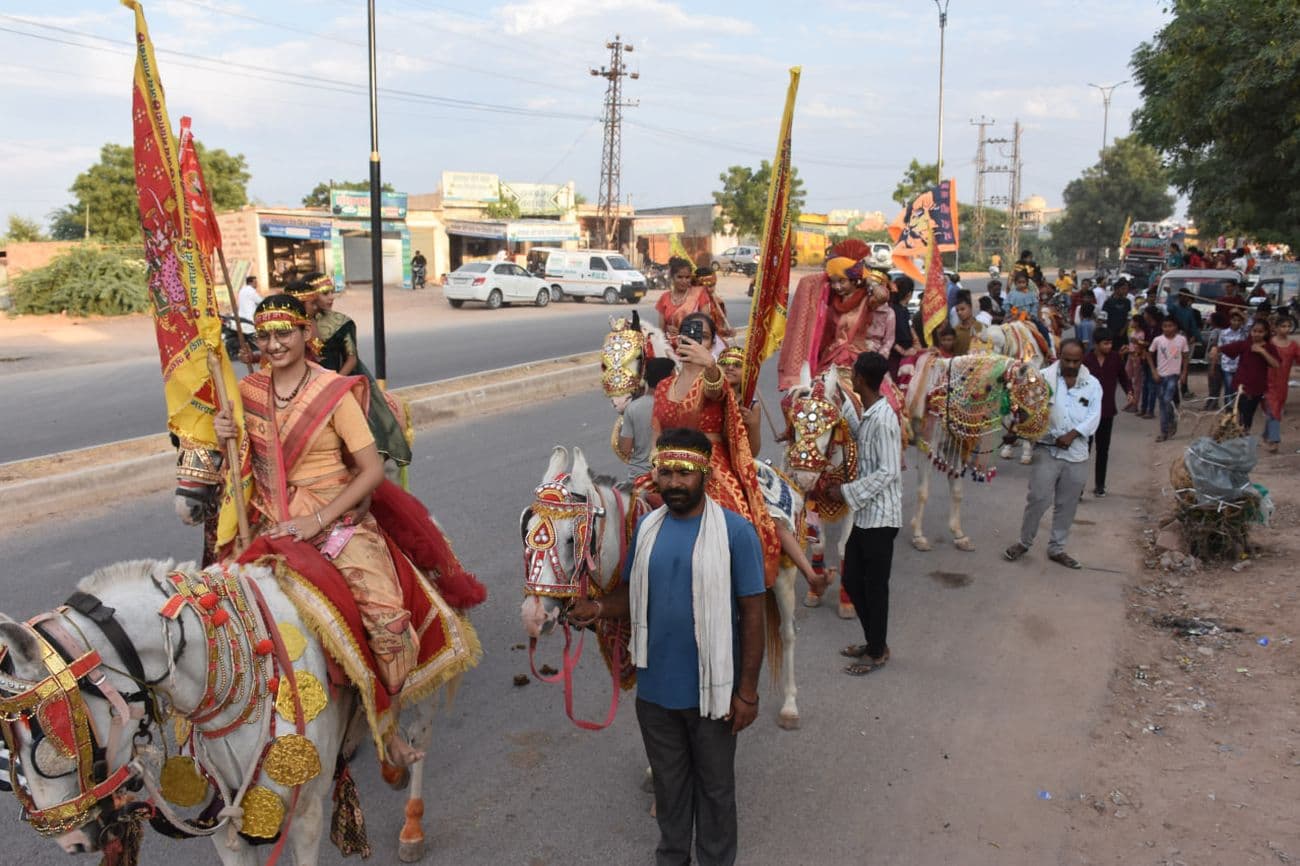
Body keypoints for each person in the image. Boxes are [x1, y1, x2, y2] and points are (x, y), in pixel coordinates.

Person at [212, 294, 478, 767]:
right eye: (264, 336)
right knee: (216, 615)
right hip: (270, 519)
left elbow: (371, 470)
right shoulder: (248, 392)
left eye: (283, 333)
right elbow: (241, 468)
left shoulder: (333, 391)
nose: (273, 344)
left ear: (305, 335)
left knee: (388, 621)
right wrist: (225, 437)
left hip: (335, 518)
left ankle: (388, 723)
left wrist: (319, 518)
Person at [569, 429, 766, 866]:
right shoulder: (647, 529)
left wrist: (747, 692)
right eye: (666, 471)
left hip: (714, 695)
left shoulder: (737, 534)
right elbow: (631, 596)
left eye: (684, 472)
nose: (674, 482)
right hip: (656, 694)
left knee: (715, 791)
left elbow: (753, 615)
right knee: (670, 789)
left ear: (705, 474)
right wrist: (597, 608)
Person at [653, 312, 781, 584]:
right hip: (666, 467)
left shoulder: (714, 378)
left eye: (704, 336)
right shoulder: (663, 386)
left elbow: (715, 389)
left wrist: (709, 364)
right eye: (689, 332)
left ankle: (744, 588)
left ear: (711, 344)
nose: (695, 339)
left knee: (737, 523)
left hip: (710, 465)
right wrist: (656, 469)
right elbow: (656, 435)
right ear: (677, 338)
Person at [716, 347, 826, 595]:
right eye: (725, 363)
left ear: (748, 373)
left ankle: (810, 574)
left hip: (740, 467)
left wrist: (752, 424)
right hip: (710, 465)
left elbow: (752, 450)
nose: (731, 367)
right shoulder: (710, 398)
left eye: (737, 363)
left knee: (772, 518)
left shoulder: (751, 405)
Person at [823, 352, 901, 676]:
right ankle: (873, 642)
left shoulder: (884, 419)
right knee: (853, 580)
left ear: (862, 379)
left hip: (881, 517)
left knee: (874, 587)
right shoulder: (870, 413)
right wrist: (839, 398)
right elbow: (858, 437)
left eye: (853, 374)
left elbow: (888, 471)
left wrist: (844, 492)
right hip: (866, 515)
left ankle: (877, 649)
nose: (850, 377)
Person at [1003, 339, 1101, 569]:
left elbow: (1093, 417)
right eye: (1066, 359)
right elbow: (1026, 409)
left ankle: (1057, 548)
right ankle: (1024, 542)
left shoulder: (1092, 384)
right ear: (1059, 356)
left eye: (1076, 361)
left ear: (1082, 359)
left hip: (1076, 453)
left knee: (1067, 504)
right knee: (1037, 498)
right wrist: (1016, 430)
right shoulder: (1042, 378)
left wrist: (1072, 434)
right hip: (1047, 449)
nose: (1071, 364)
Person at [307, 272, 413, 468]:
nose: (331, 297)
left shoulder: (341, 322)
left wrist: (333, 384)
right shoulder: (298, 326)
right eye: (325, 294)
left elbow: (351, 358)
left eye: (332, 292)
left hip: (339, 382)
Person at [1083, 327, 1134, 497]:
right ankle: (1079, 488)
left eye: (1110, 343)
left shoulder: (1115, 359)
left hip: (1107, 412)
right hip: (1087, 413)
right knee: (1084, 451)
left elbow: (1123, 378)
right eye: (1105, 343)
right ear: (1096, 345)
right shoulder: (1086, 361)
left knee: (1103, 450)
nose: (1109, 346)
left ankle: (1100, 485)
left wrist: (1129, 391)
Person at [1212, 318, 1280, 433]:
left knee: (1249, 414)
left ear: (1266, 333)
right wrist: (1215, 349)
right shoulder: (1245, 345)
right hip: (1240, 387)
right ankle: (1239, 435)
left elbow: (1276, 364)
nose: (1256, 334)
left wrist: (1262, 352)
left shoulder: (1269, 348)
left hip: (1257, 388)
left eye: (1260, 331)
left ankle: (1244, 435)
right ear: (1250, 331)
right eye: (1254, 331)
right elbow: (1224, 348)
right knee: (1239, 413)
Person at [617, 357, 676, 479]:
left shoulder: (633, 408)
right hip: (670, 475)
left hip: (640, 476)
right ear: (670, 377)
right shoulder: (677, 406)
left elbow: (625, 449)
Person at [656, 257, 730, 352]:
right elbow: (661, 330)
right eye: (680, 277)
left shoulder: (699, 294)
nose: (684, 281)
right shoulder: (664, 298)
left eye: (687, 277)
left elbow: (706, 326)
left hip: (695, 348)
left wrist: (683, 332)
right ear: (672, 277)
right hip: (670, 349)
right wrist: (667, 330)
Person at [1148, 316, 1189, 441]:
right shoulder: (1157, 340)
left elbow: (1186, 357)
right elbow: (1149, 355)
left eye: (1170, 326)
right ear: (1162, 327)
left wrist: (1184, 374)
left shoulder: (1181, 340)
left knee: (1166, 400)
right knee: (1162, 404)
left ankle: (1170, 424)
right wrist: (1154, 371)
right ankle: (1165, 430)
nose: (1168, 329)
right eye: (1165, 326)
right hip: (1160, 376)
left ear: (1176, 327)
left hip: (1173, 375)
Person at [1263, 315, 1300, 453]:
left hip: (1282, 384)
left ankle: (1267, 435)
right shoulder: (1269, 344)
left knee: (1274, 410)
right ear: (1276, 328)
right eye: (1283, 326)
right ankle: (1274, 440)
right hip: (1267, 382)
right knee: (1274, 410)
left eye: (1288, 326)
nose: (1286, 329)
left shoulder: (1293, 345)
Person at [1208, 308, 1250, 410]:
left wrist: (1239, 311)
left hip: (1240, 366)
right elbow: (1218, 350)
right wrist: (1213, 366)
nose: (1236, 322)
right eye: (1234, 320)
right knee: (1229, 387)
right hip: (1227, 366)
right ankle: (1228, 409)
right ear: (1230, 320)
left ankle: (1236, 408)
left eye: (1238, 320)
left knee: (1239, 388)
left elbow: (1249, 323)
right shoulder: (1223, 333)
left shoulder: (1243, 333)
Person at [887, 274, 918, 378]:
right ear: (909, 294)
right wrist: (904, 352)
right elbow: (890, 337)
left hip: (903, 356)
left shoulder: (902, 310)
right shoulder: (894, 311)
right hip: (895, 358)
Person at [951, 290, 985, 355]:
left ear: (970, 308)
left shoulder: (981, 327)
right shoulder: (955, 331)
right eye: (957, 310)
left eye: (962, 309)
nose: (959, 313)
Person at [1101, 278, 1133, 344]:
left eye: (1127, 289)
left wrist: (1123, 330)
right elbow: (1102, 318)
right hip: (1110, 334)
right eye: (1123, 289)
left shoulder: (1127, 302)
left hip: (1123, 335)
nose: (1126, 291)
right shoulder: (1108, 302)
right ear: (1116, 289)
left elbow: (1129, 318)